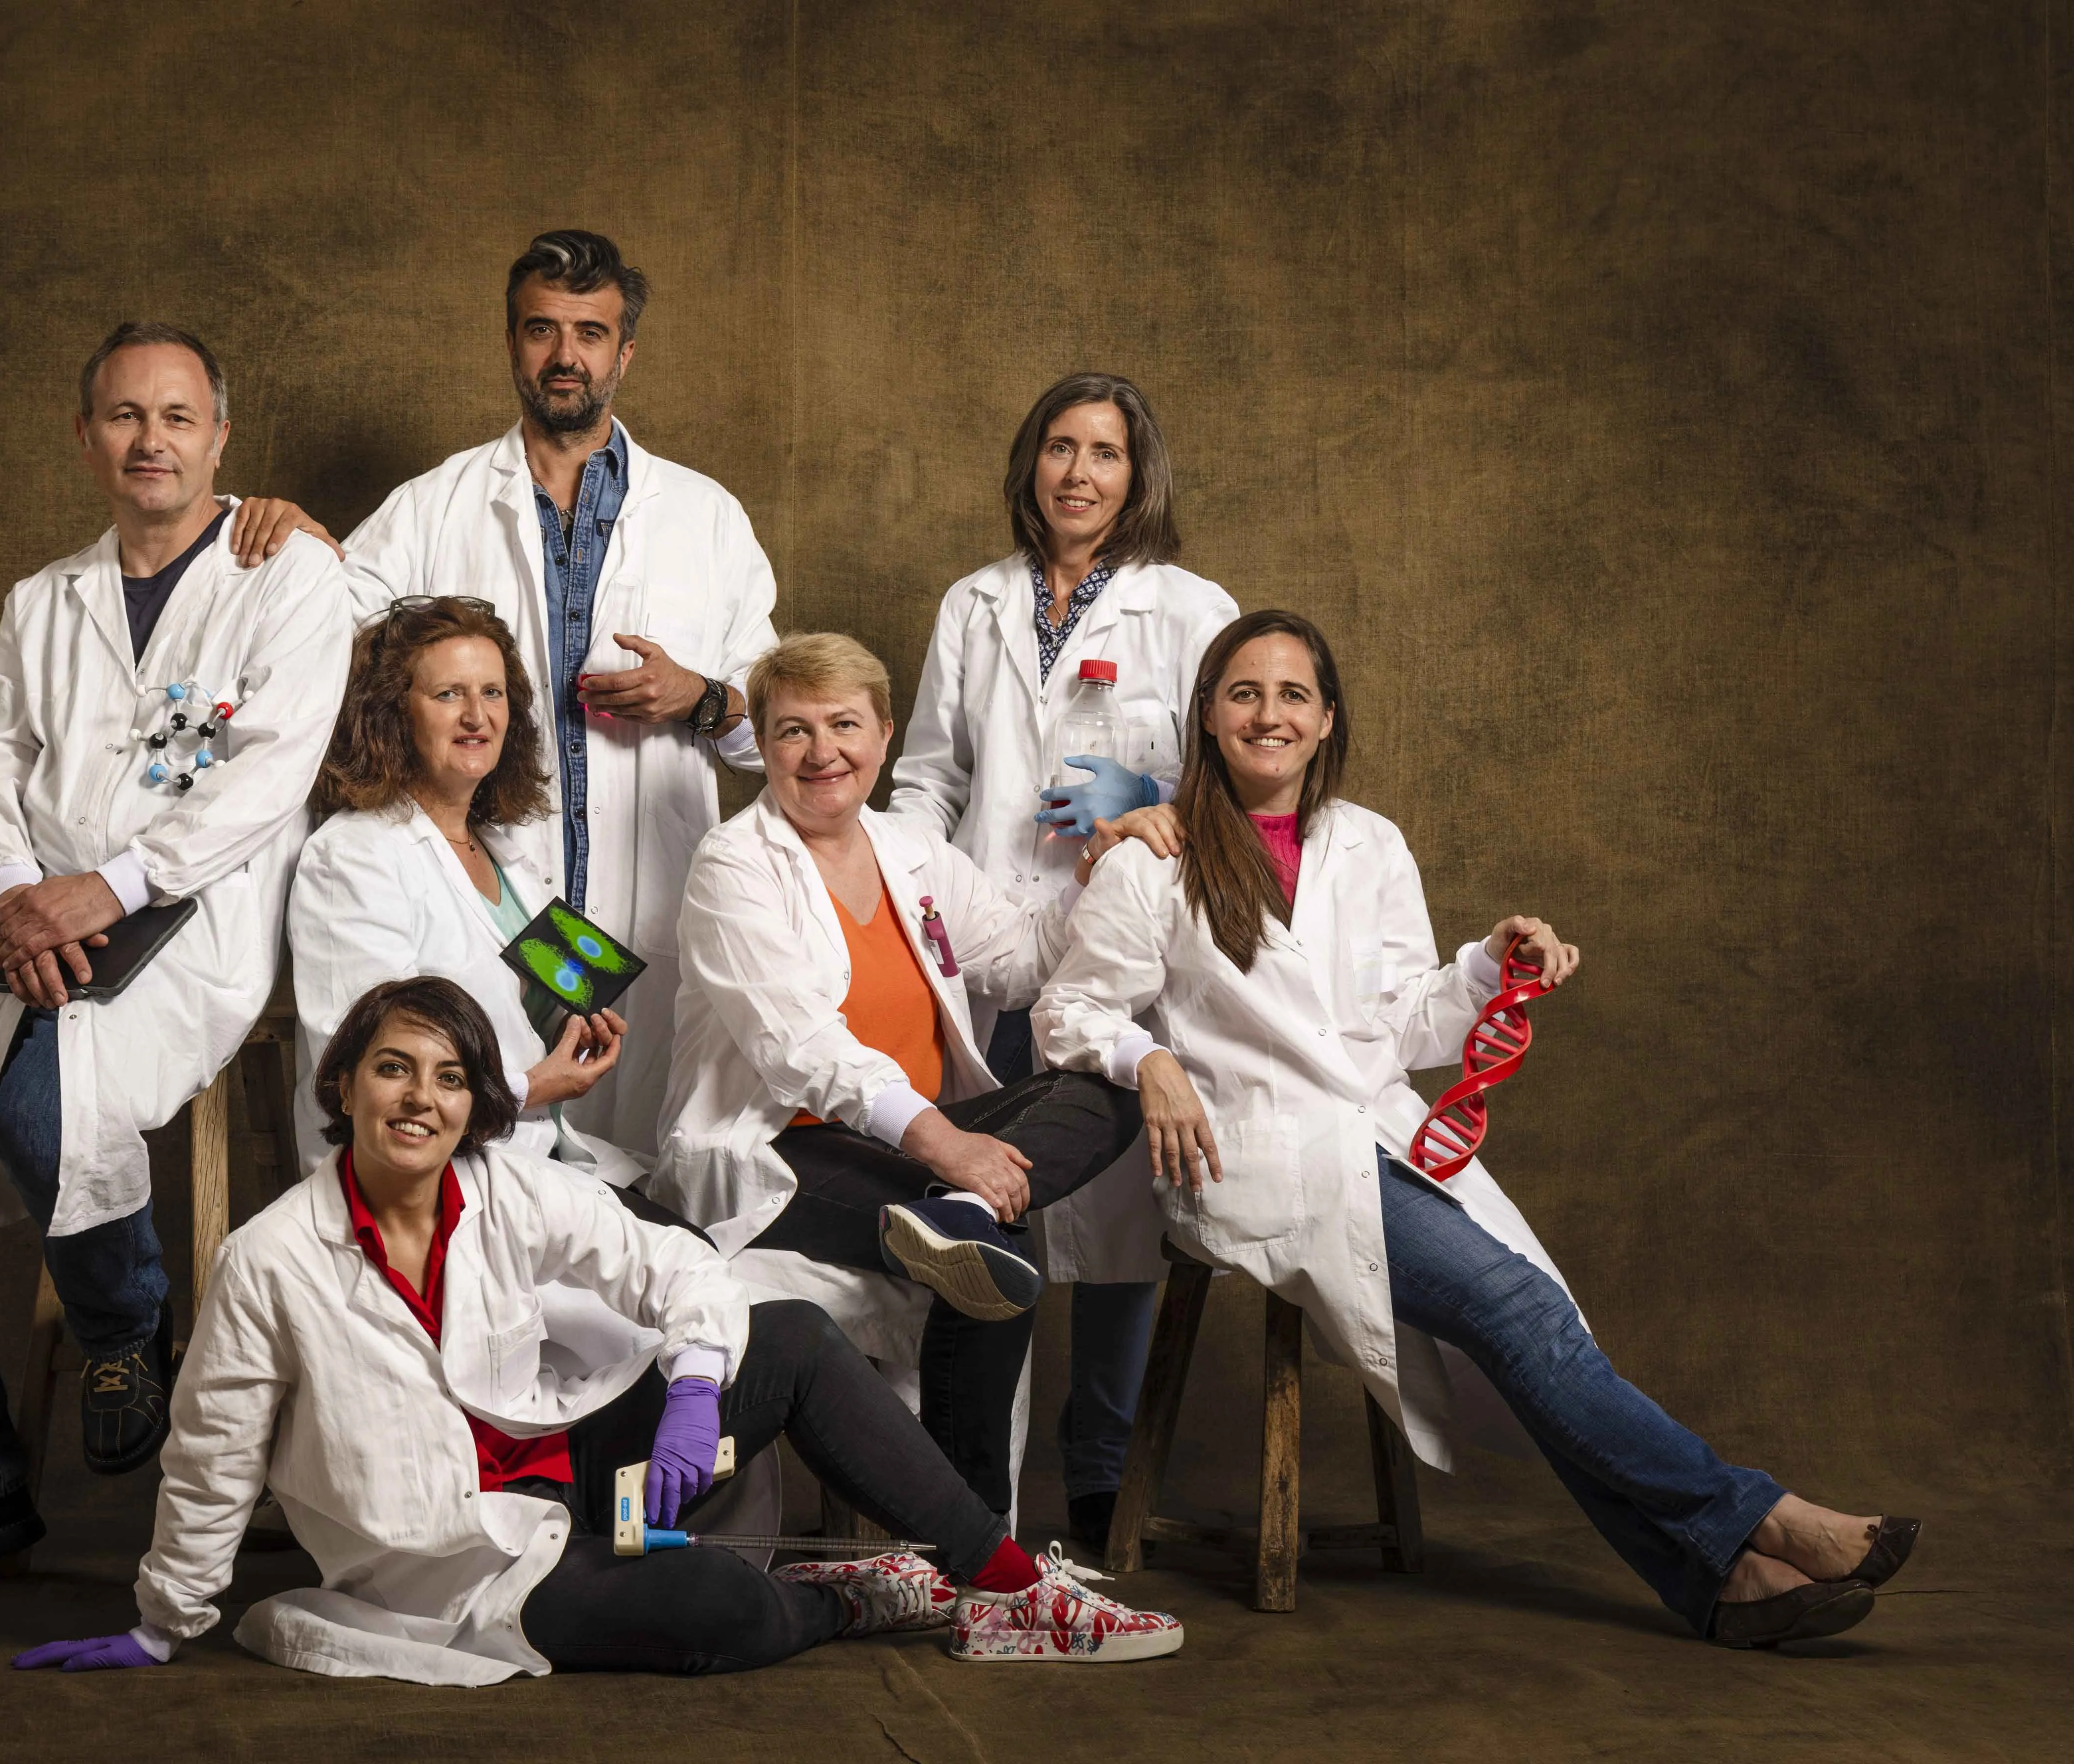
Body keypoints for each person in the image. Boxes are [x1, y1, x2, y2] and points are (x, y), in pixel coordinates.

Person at [1036, 609, 1920, 1647]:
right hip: (1253, 1153)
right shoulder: (1158, 855)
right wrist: (1148, 1059)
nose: (1265, 713)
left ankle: (1723, 1583)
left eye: (1290, 695)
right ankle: (1761, 1514)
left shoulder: (1368, 844)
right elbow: (1068, 1013)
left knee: (1531, 1326)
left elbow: (1404, 1019)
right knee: (1516, 1309)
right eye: (1242, 692)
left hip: (1372, 1135)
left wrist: (1488, 964)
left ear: (1325, 720)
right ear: (1206, 716)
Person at [9, 978, 1185, 1680]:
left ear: (476, 1102)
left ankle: (1008, 1587)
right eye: (392, 1069)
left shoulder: (505, 1190)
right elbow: (212, 1451)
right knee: (715, 1612)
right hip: (460, 1572)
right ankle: (867, 1593)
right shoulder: (269, 1256)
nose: (421, 1097)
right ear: (345, 1088)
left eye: (450, 1077)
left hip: (579, 1479)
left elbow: (676, 1264)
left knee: (786, 1336)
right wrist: (165, 1623)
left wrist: (687, 1389)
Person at [0, 322, 352, 1583]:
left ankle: (122, 1327)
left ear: (220, 437)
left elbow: (270, 773)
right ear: (85, 436)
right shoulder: (44, 601)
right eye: (123, 416)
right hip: (27, 912)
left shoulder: (287, 577)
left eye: (178, 417)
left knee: (47, 1121)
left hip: (184, 910)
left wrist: (108, 886)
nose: (151, 440)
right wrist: (13, 890)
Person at [246, 229, 778, 1151]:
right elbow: (328, 637)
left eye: (590, 332)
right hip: (492, 898)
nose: (565, 355)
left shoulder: (706, 519)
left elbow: (770, 734)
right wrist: (299, 548)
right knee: (495, 1142)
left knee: (640, 1165)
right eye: (541, 329)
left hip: (643, 901)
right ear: (511, 343)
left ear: (625, 353)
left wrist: (699, 696)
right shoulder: (432, 506)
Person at [651, 634, 1146, 1516]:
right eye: (793, 730)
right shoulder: (734, 865)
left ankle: (956, 1223)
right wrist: (947, 1146)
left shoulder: (909, 846)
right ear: (763, 746)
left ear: (883, 735)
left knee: (1109, 1087)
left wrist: (1104, 868)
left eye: (844, 723)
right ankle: (973, 1539)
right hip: (783, 1152)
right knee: (998, 1250)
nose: (821, 751)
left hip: (902, 1151)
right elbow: (801, 1049)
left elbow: (1023, 958)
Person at [886, 370, 1238, 1552]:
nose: (1078, 472)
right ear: (1029, 462)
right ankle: (973, 1498)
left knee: (1123, 1220)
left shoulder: (1188, 609)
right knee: (985, 1206)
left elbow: (1234, 772)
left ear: (1138, 477)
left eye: (1104, 452)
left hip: (1118, 941)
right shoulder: (972, 602)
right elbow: (928, 774)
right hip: (983, 941)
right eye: (1059, 447)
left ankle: (1099, 1486)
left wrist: (1144, 801)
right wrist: (908, 886)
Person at [288, 594, 632, 1175]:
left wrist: (574, 1030)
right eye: (449, 694)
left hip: (534, 1160)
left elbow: (531, 1012)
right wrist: (531, 1087)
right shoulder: (353, 856)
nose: (478, 715)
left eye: (492, 693)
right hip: (425, 1184)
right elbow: (371, 1079)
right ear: (393, 715)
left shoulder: (503, 853)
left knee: (693, 1246)